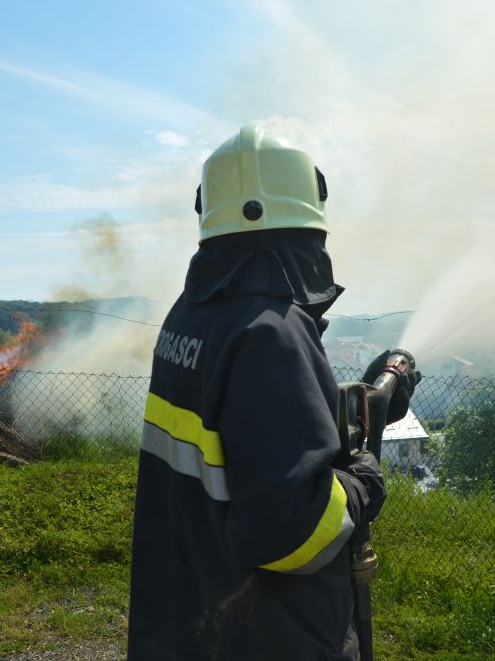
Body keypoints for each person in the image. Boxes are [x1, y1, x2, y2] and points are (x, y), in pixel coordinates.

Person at [127, 123, 417, 660]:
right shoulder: (270, 333)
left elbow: (247, 436)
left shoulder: (192, 315)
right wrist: (362, 485)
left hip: (192, 615)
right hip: (267, 633)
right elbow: (291, 531)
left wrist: (353, 407)